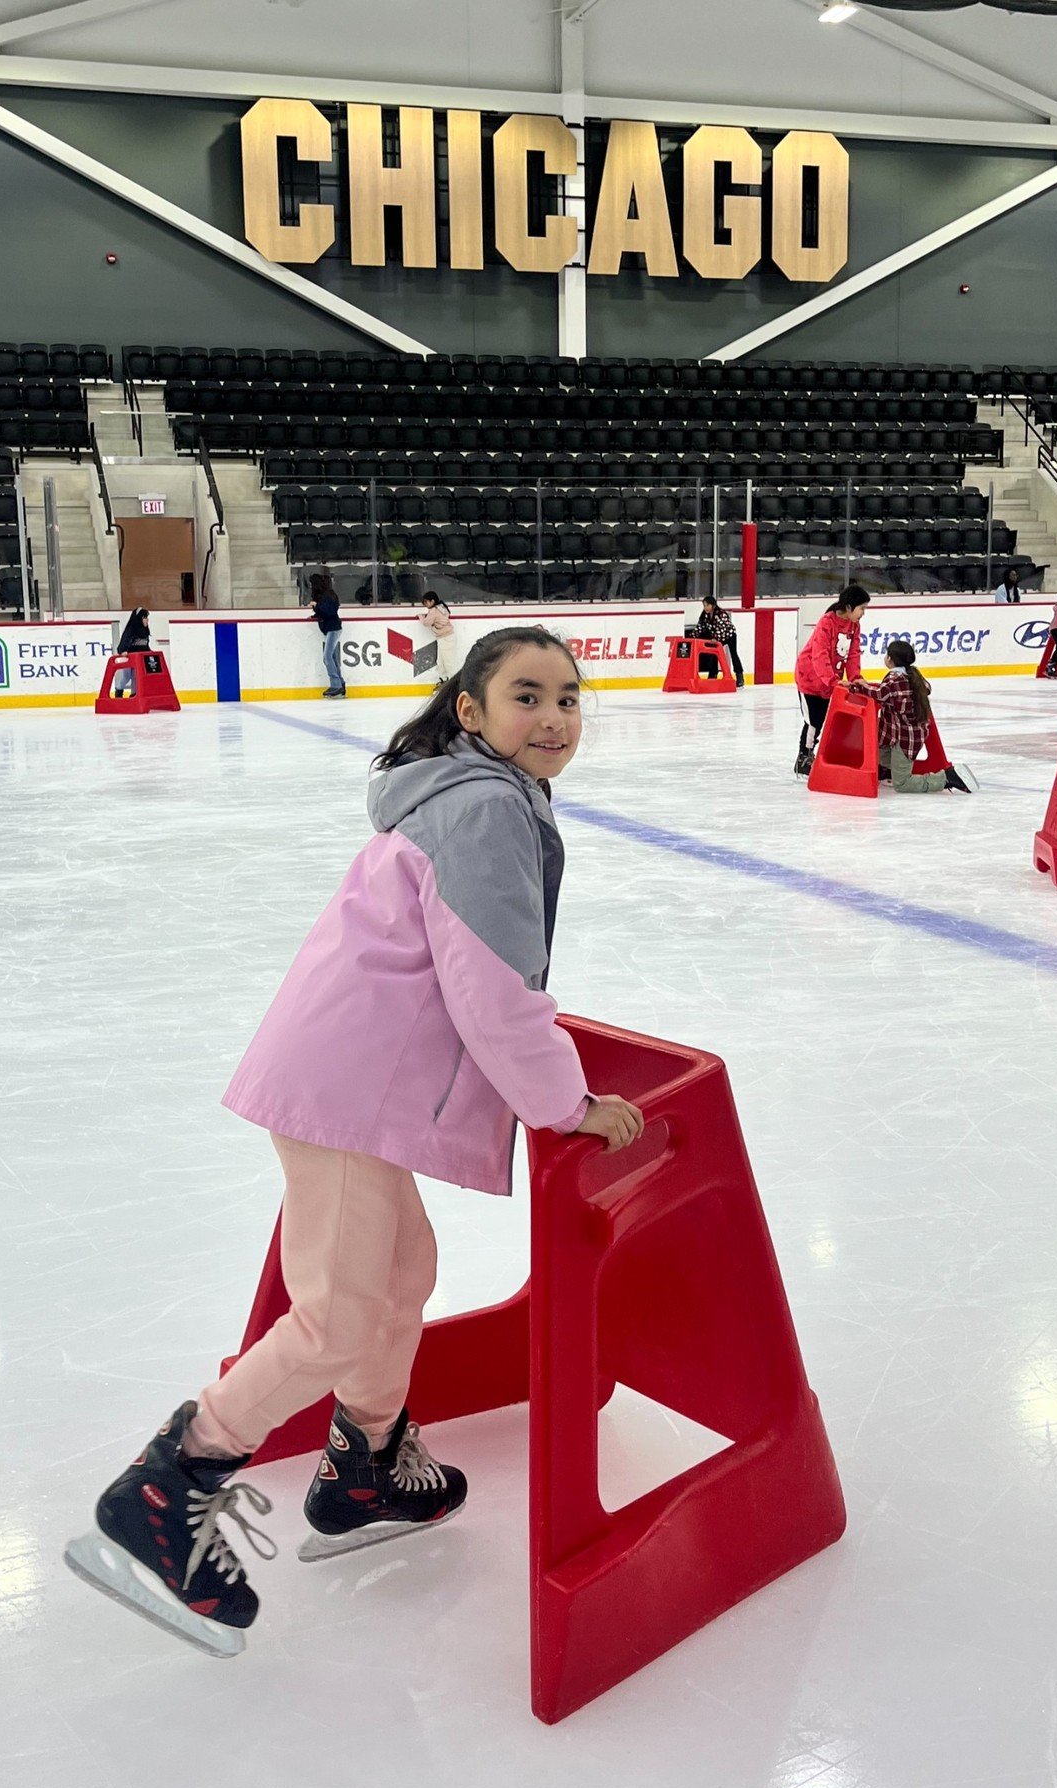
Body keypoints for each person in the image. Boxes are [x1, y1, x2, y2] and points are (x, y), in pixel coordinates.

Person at [64, 626, 647, 1658]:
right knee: (336, 1315)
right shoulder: (478, 808)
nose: (553, 717)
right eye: (526, 695)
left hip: (358, 1077)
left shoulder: (477, 794)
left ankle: (363, 1466)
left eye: (568, 696)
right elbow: (496, 992)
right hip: (345, 1084)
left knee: (401, 1272)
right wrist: (564, 1104)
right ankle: (166, 1485)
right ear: (470, 710)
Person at [848, 640, 976, 794]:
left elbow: (879, 694)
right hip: (895, 735)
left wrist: (857, 686)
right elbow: (924, 688)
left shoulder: (895, 680)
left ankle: (947, 778)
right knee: (877, 755)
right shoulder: (912, 675)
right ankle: (889, 771)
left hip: (905, 739)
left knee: (902, 784)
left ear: (889, 659)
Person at [793, 583, 869, 776]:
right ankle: (803, 758)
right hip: (809, 679)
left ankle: (816, 755)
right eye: (862, 608)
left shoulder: (854, 625)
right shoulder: (827, 623)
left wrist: (855, 677)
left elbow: (853, 653)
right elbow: (819, 654)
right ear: (850, 607)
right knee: (813, 720)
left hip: (830, 682)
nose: (863, 613)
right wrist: (833, 680)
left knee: (826, 720)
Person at [689, 594, 745, 688]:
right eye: (704, 605)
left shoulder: (721, 614)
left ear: (713, 605)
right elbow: (700, 627)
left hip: (729, 635)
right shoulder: (704, 615)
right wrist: (692, 636)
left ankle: (739, 677)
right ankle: (712, 675)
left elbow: (723, 628)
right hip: (716, 637)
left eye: (707, 605)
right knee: (713, 654)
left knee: (733, 654)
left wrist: (716, 637)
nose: (706, 607)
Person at [311, 571, 344, 698]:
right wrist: (316, 610)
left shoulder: (328, 595)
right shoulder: (323, 595)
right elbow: (323, 612)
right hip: (330, 629)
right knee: (332, 657)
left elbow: (330, 610)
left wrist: (316, 605)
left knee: (327, 657)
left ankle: (336, 684)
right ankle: (340, 684)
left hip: (333, 629)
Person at [419, 590, 460, 683]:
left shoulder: (434, 611)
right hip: (444, 638)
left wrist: (421, 617)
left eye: (426, 602)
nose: (424, 604)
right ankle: (444, 680)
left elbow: (426, 623)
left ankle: (452, 684)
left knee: (448, 663)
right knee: (441, 662)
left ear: (432, 601)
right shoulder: (440, 608)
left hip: (446, 638)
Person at [111, 607, 151, 698]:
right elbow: (123, 643)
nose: (147, 620)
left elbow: (145, 645)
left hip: (139, 659)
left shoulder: (145, 632)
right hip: (129, 657)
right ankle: (119, 690)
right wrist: (123, 651)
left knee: (136, 676)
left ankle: (134, 694)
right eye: (144, 617)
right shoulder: (131, 630)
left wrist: (149, 652)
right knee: (126, 676)